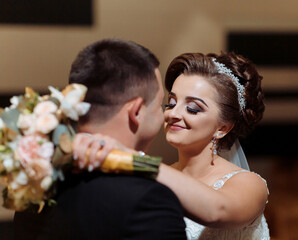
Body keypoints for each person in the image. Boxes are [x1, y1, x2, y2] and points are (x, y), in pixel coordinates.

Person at [75, 52, 270, 240]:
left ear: (222, 128)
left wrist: (131, 158)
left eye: (193, 108)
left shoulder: (250, 184)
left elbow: (217, 210)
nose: (173, 113)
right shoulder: (160, 175)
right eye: (171, 103)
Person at [13, 38, 187, 240]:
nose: (166, 114)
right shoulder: (148, 199)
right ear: (136, 111)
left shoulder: (36, 183)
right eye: (161, 104)